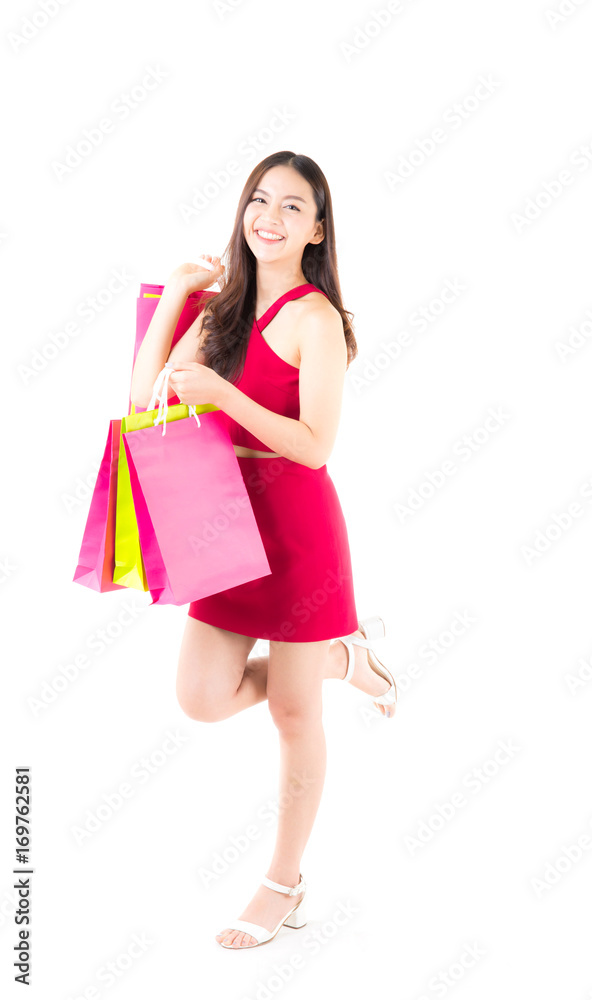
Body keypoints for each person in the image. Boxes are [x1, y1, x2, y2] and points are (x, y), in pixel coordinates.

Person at [130, 150, 398, 950]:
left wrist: (223, 394)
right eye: (258, 200)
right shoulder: (225, 307)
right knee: (201, 697)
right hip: (220, 519)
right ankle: (347, 661)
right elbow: (146, 401)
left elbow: (315, 447)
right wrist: (179, 294)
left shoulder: (316, 319)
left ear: (316, 230)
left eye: (291, 207)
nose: (268, 219)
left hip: (296, 529)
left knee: (289, 711)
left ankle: (283, 883)